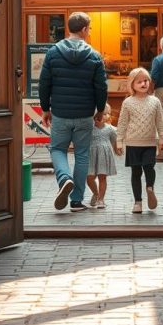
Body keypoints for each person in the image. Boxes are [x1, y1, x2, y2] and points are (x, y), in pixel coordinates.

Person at [39, 11, 107, 212]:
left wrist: (45, 108)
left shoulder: (53, 53)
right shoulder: (94, 56)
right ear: (84, 29)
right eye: (89, 28)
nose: (89, 31)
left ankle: (64, 179)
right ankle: (76, 200)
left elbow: (44, 83)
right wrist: (100, 109)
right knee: (82, 154)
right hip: (84, 114)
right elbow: (101, 87)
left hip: (60, 113)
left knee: (57, 149)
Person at [116, 67, 163, 213]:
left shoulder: (155, 101)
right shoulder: (128, 102)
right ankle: (137, 202)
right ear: (132, 84)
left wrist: (162, 138)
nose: (143, 84)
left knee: (149, 166)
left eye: (145, 80)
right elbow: (122, 122)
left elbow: (160, 121)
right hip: (133, 143)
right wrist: (119, 141)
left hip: (150, 142)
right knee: (136, 172)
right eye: (139, 82)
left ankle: (150, 188)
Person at [87, 104, 121, 210]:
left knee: (102, 177)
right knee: (89, 177)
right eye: (102, 114)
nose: (104, 116)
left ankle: (101, 199)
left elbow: (115, 140)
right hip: (92, 155)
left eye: (107, 114)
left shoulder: (110, 129)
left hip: (104, 156)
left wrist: (117, 150)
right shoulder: (89, 128)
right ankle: (95, 193)